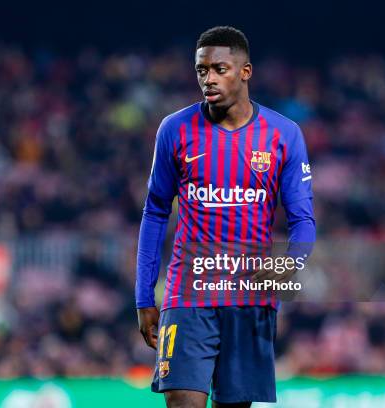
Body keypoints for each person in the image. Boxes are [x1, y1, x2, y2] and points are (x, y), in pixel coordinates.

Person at [135, 26, 316, 407]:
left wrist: (291, 262)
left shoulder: (284, 134)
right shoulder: (174, 129)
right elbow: (154, 212)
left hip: (251, 297)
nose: (209, 79)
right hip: (188, 295)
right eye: (202, 70)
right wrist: (143, 296)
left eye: (220, 68)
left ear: (245, 72)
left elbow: (303, 221)